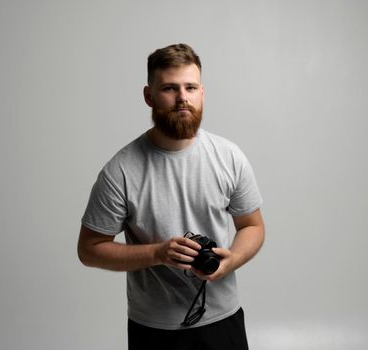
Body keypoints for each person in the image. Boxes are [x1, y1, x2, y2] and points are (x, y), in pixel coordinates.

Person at [78, 43, 265, 350]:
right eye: (169, 88)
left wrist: (233, 260)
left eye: (190, 87)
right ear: (149, 96)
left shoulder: (229, 156)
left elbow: (253, 226)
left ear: (202, 93)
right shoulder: (121, 170)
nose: (182, 98)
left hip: (223, 319)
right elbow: (89, 249)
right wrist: (158, 254)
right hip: (154, 328)